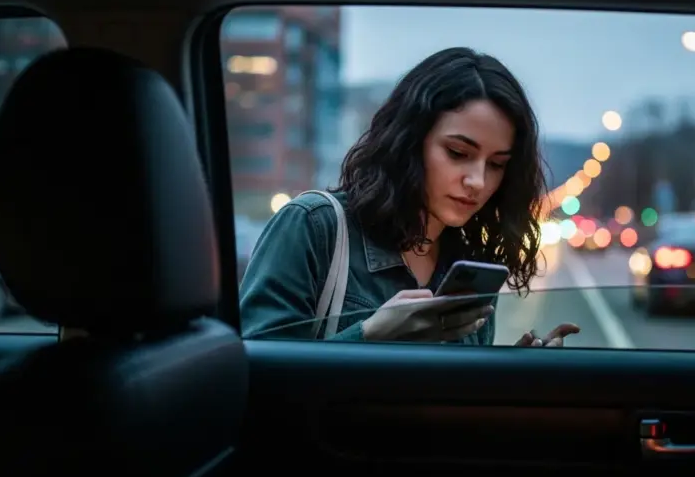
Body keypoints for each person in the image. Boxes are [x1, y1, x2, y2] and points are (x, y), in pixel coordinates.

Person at [239, 47, 579, 346]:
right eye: (457, 152)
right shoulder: (314, 226)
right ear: (409, 142)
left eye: (496, 164)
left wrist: (506, 380)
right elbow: (257, 383)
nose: (477, 181)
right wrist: (370, 335)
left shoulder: (471, 265)